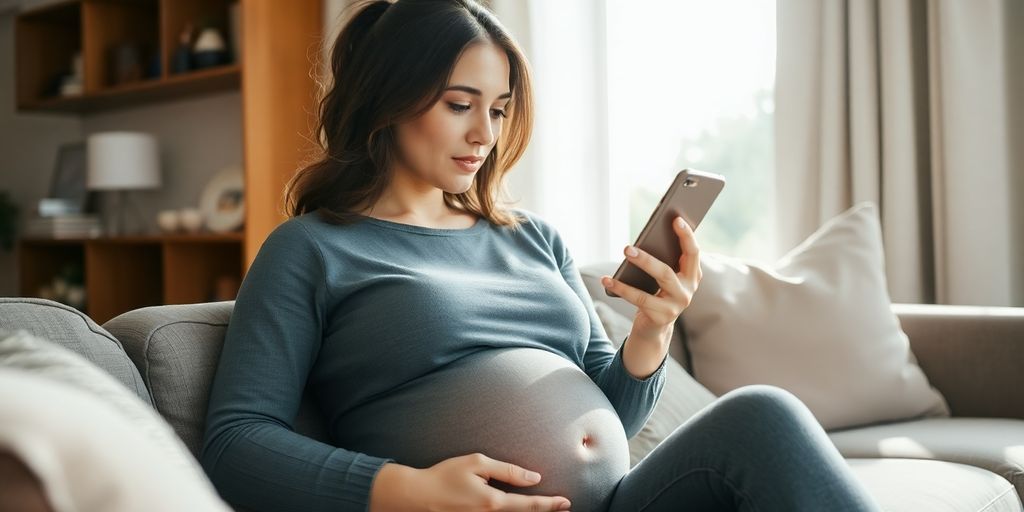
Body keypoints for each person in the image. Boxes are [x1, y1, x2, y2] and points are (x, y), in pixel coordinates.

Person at [200, 1, 884, 511]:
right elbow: (235, 440)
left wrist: (652, 333)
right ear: (387, 101)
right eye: (460, 104)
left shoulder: (532, 237)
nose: (485, 134)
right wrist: (406, 490)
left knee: (764, 416)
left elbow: (613, 417)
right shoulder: (312, 249)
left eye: (499, 110)